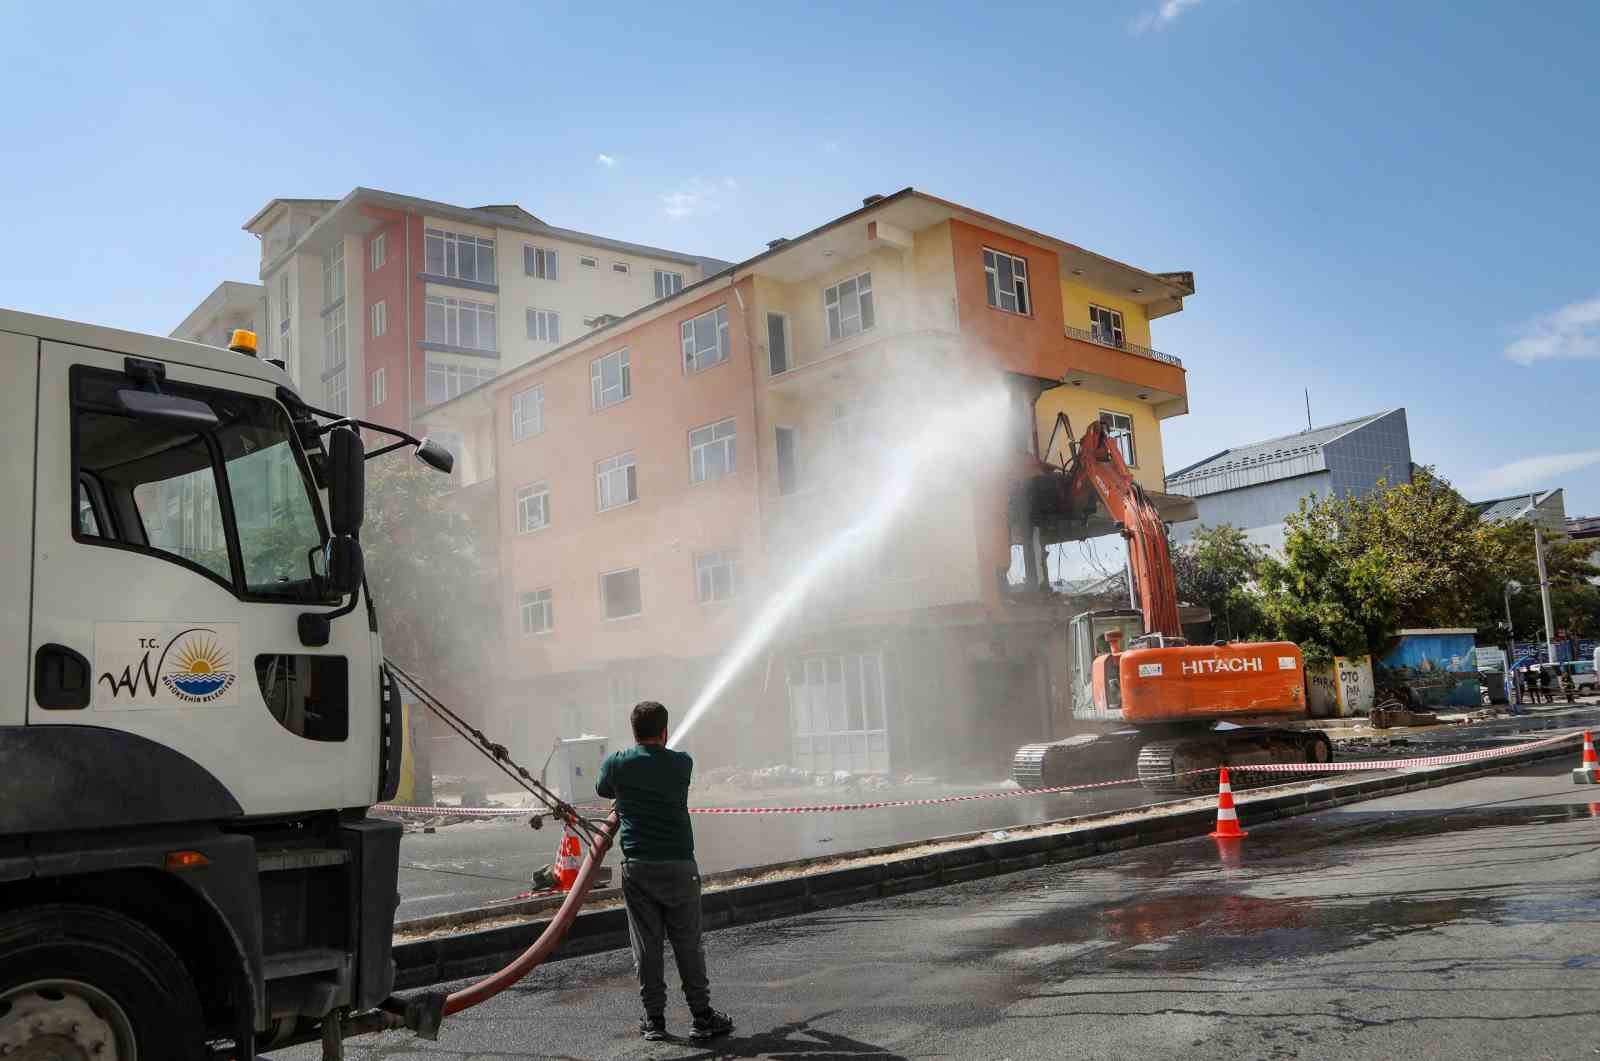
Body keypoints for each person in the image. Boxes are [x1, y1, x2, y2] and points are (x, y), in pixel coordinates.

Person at [595, 701, 734, 1043]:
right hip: (680, 866)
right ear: (665, 731)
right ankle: (702, 1017)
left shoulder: (617, 763)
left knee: (647, 946)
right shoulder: (682, 763)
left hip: (638, 868)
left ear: (633, 732)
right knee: (688, 944)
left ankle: (654, 1020)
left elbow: (603, 789)